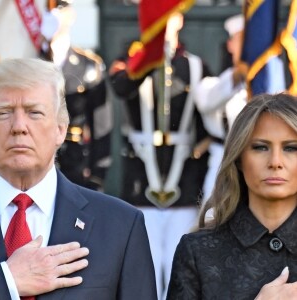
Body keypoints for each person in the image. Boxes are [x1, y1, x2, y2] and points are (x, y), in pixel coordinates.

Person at [0, 58, 157, 300]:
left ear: (61, 129)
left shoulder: (120, 226)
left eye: (34, 113)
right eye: (3, 113)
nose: (19, 126)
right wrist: (7, 281)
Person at [109, 12, 210, 300]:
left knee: (181, 263)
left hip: (185, 181)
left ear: (180, 20)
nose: (166, 23)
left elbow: (210, 120)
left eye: (172, 16)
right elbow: (120, 86)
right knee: (146, 263)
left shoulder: (196, 66)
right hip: (142, 181)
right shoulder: (132, 61)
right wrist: (144, 58)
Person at [167, 92, 297, 299]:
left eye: (291, 148)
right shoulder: (198, 252)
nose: (275, 161)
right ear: (238, 159)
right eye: (260, 147)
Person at [40, 0, 112, 191]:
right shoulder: (30, 60)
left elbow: (101, 126)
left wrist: (97, 174)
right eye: (48, 10)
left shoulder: (89, 66)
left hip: (77, 165)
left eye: (59, 8)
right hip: (35, 161)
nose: (53, 15)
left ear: (71, 14)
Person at [194, 14, 248, 203]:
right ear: (230, 45)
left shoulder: (278, 82)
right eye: (242, 39)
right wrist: (238, 75)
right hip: (222, 164)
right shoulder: (212, 84)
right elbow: (207, 100)